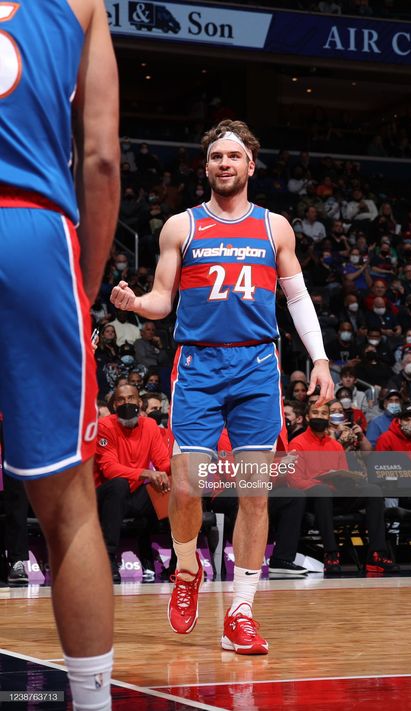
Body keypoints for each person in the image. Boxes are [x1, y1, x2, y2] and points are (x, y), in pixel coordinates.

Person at [111, 119, 333, 654]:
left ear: (250, 165)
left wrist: (320, 358)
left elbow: (297, 299)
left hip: (258, 365)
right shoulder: (180, 227)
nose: (225, 164)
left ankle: (240, 612)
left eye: (234, 156)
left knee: (254, 496)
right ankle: (187, 568)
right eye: (217, 158)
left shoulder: (275, 227)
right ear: (206, 167)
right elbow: (164, 298)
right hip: (199, 367)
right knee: (186, 486)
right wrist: (140, 305)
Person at [0, 1, 119, 709]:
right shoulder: (82, 3)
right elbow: (101, 156)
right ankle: (95, 701)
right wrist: (88, 280)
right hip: (34, 234)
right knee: (70, 507)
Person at [289, 402, 398, 575]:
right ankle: (331, 553)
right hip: (313, 500)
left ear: (328, 418)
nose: (319, 416)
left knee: (373, 490)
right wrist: (321, 483)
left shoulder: (335, 446)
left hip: (336, 495)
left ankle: (376, 554)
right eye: (315, 412)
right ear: (308, 417)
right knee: (322, 491)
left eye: (324, 413)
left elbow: (342, 475)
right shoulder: (298, 443)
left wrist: (350, 480)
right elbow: (295, 481)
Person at [94, 385, 170, 581]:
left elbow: (163, 463)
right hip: (105, 496)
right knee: (119, 484)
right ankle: (107, 559)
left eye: (131, 398)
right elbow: (109, 469)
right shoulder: (104, 426)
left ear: (139, 402)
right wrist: (145, 473)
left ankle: (179, 563)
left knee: (172, 486)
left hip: (135, 495)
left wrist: (182, 467)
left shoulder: (150, 426)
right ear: (113, 405)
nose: (126, 403)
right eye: (120, 400)